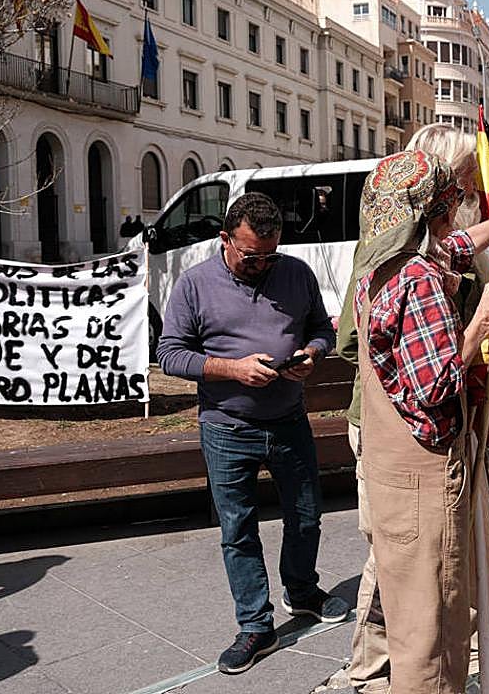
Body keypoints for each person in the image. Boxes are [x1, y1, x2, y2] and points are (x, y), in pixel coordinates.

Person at [157, 191, 346, 675]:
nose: (261, 263)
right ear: (225, 239)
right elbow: (171, 354)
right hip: (227, 427)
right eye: (250, 255)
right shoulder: (195, 284)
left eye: (269, 254)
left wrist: (312, 354)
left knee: (306, 517)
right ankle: (255, 625)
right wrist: (230, 369)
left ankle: (301, 591)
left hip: (288, 421)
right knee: (238, 530)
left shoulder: (296, 273)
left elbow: (322, 329)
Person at [335, 125, 489, 694]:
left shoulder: (376, 270)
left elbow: (452, 248)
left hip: (387, 466)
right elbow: (438, 384)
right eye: (454, 202)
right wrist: (482, 321)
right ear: (437, 211)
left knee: (402, 606)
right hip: (425, 473)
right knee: (433, 624)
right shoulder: (421, 280)